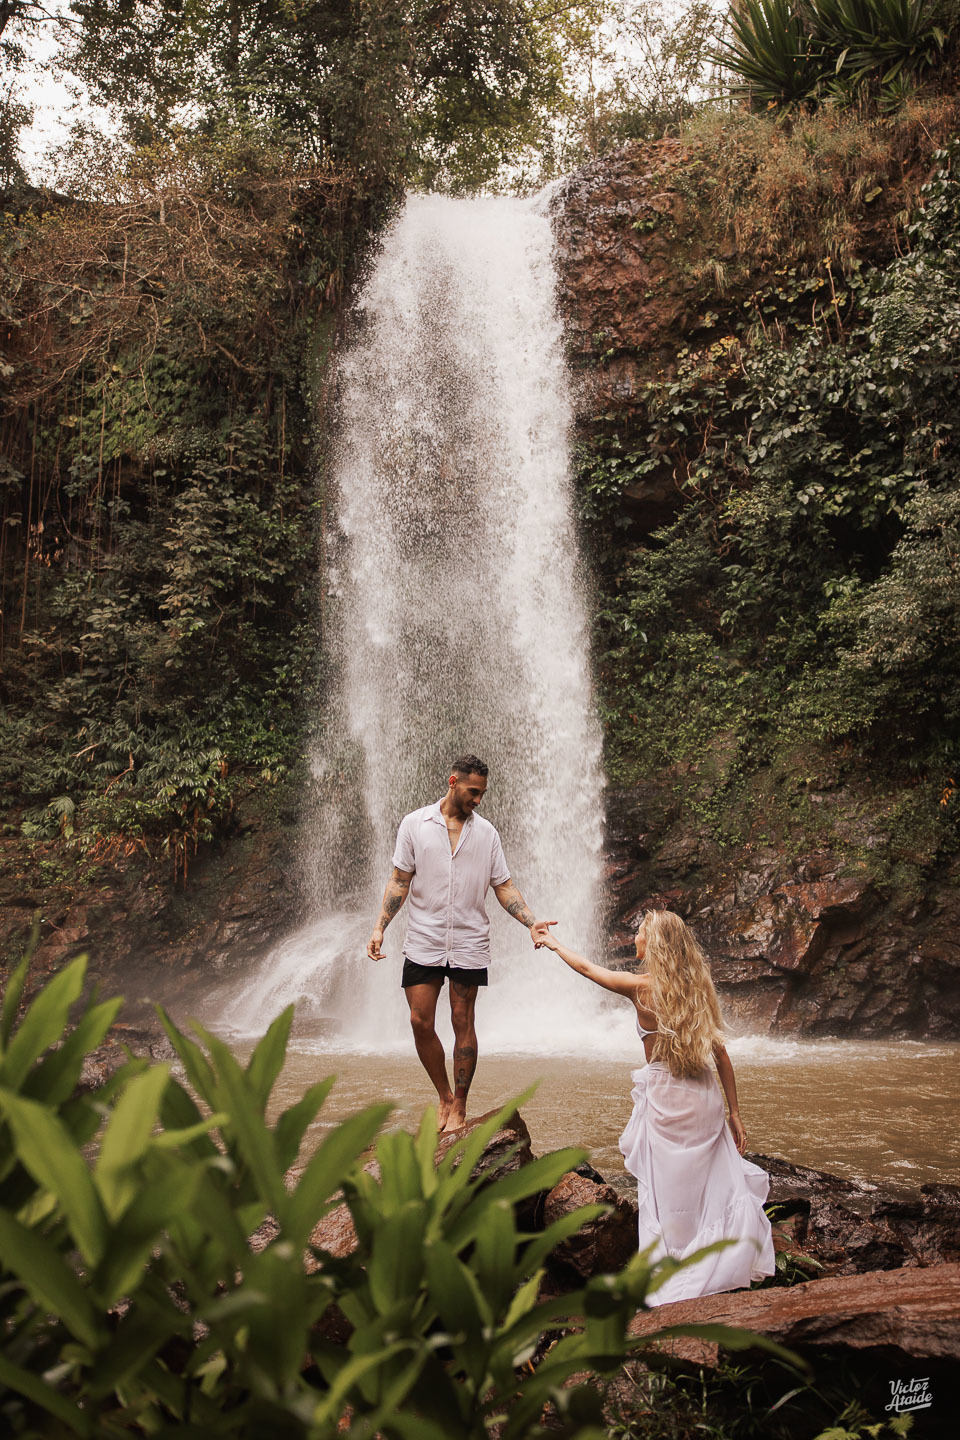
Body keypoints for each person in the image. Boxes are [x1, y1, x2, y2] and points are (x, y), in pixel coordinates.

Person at [537, 909, 775, 1305]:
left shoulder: (640, 988)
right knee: (712, 1183)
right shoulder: (697, 987)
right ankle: (722, 1257)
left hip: (666, 1097)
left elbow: (588, 969)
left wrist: (552, 942)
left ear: (655, 943)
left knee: (667, 1191)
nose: (634, 938)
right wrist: (735, 1112)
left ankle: (675, 1266)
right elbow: (722, 1057)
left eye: (640, 932)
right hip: (703, 1095)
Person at [367, 754, 555, 1134]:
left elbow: (503, 885)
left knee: (461, 1020)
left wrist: (531, 922)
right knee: (420, 1021)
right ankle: (443, 1094)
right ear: (453, 781)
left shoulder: (486, 833)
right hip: (424, 938)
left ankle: (460, 1106)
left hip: (469, 941)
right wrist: (379, 927)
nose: (478, 800)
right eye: (473, 791)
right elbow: (400, 880)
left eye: (483, 793)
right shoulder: (414, 824)